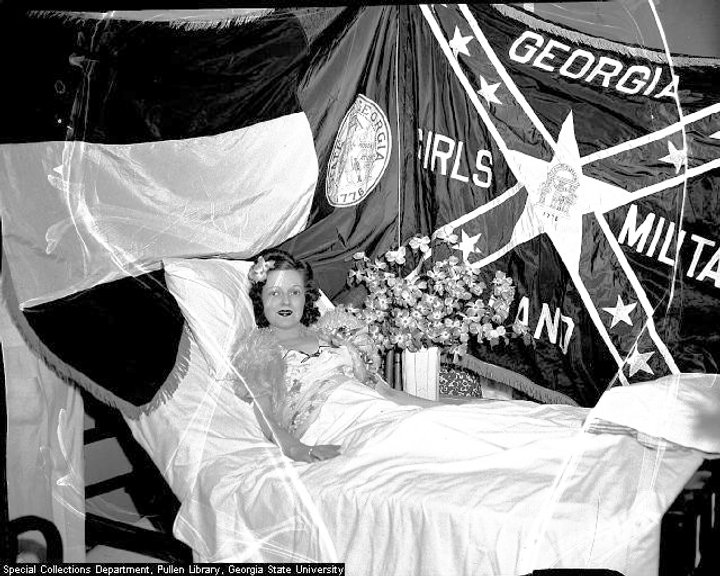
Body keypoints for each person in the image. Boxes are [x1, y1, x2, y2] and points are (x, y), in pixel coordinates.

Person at [231, 249, 430, 463]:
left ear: (306, 296)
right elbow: (266, 417)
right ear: (261, 298)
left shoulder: (336, 335)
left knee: (437, 429)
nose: (285, 302)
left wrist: (445, 408)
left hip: (376, 412)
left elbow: (388, 394)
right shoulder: (261, 349)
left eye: (294, 292)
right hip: (330, 428)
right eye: (274, 293)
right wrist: (300, 450)